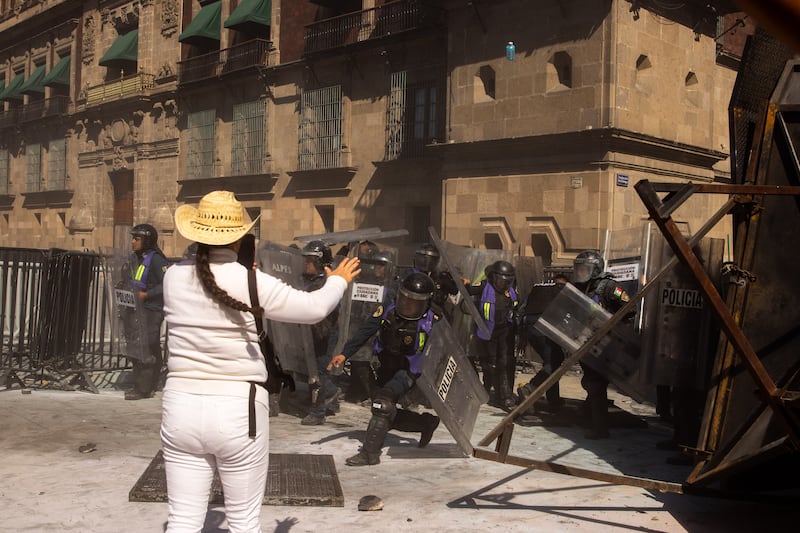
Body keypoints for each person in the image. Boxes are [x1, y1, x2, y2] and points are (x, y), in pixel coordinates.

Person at [159, 190, 360, 532]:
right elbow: (313, 309)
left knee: (182, 521)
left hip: (180, 407)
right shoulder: (253, 282)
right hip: (239, 411)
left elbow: (210, 283)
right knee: (242, 522)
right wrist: (338, 280)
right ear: (240, 239)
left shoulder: (173, 276)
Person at [328, 272, 442, 466]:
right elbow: (366, 330)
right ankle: (425, 423)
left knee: (382, 404)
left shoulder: (435, 320)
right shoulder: (388, 308)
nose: (407, 305)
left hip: (409, 369)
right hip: (387, 364)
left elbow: (445, 352)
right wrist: (345, 353)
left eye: (414, 302)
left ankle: (369, 454)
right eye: (405, 299)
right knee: (384, 411)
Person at [571, 250, 631, 440]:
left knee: (596, 385)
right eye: (578, 268)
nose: (580, 272)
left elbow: (630, 310)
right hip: (587, 342)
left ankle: (600, 427)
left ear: (595, 269)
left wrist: (612, 327)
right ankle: (590, 417)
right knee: (590, 382)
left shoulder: (609, 286)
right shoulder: (583, 287)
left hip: (605, 344)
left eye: (584, 268)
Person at [300, 240, 343, 425]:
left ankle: (318, 412)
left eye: (310, 261)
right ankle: (331, 395)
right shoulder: (312, 281)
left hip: (324, 333)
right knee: (315, 370)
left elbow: (327, 311)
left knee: (319, 372)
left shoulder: (326, 282)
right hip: (313, 332)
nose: (306, 264)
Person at [125, 223, 170, 400]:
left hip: (152, 309)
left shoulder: (157, 259)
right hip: (137, 308)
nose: (132, 242)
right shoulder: (136, 258)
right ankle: (147, 382)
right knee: (140, 344)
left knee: (147, 346)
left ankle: (143, 388)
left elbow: (166, 283)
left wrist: (147, 294)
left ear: (146, 240)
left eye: (136, 239)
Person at [467, 260, 519, 411]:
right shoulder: (485, 287)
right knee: (489, 364)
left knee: (502, 364)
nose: (504, 284)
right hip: (486, 332)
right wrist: (462, 282)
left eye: (507, 281)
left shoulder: (511, 292)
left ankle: (504, 396)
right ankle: (487, 388)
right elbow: (468, 290)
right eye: (501, 281)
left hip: (504, 332)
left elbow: (515, 308)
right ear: (493, 277)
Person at [516, 273, 569, 412]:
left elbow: (522, 311)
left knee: (552, 361)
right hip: (544, 330)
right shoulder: (562, 291)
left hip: (531, 329)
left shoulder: (539, 290)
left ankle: (553, 399)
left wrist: (523, 337)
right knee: (555, 361)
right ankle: (530, 388)